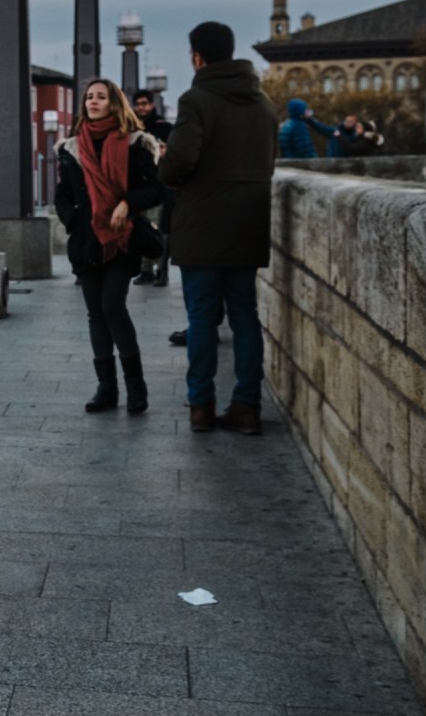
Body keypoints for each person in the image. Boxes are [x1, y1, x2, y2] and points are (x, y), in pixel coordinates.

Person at [158, 22, 277, 434]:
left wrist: (165, 165)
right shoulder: (263, 103)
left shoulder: (196, 100)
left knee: (202, 319)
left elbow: (179, 163)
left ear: (197, 57)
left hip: (203, 226)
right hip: (249, 222)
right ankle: (247, 406)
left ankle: (201, 407)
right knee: (245, 316)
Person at [54, 78, 163, 415]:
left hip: (121, 238)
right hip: (87, 241)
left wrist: (127, 204)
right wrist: (73, 221)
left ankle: (136, 386)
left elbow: (156, 190)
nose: (93, 101)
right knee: (96, 315)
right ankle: (107, 387)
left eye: (101, 97)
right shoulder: (72, 148)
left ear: (114, 103)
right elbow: (63, 195)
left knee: (113, 307)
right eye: (89, 97)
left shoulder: (134, 144)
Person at [130, 89, 173, 286]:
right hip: (138, 187)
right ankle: (146, 270)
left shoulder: (164, 127)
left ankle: (161, 270)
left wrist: (166, 152)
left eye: (145, 103)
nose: (141, 107)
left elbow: (176, 153)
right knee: (141, 228)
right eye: (138, 104)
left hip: (158, 186)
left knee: (157, 228)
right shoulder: (132, 129)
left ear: (152, 105)